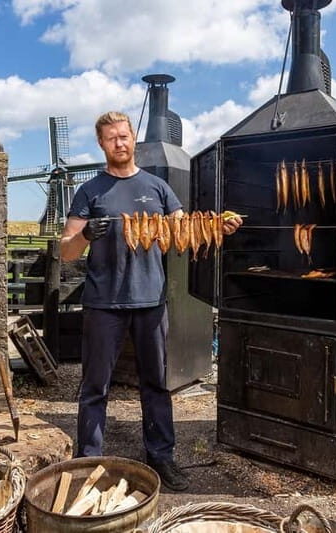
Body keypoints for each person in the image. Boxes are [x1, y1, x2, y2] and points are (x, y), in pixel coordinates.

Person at [59, 111, 241, 491]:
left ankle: (162, 456)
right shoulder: (89, 191)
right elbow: (66, 252)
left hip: (150, 300)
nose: (119, 143)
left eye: (124, 136)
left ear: (133, 138)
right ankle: (88, 457)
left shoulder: (157, 188)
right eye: (111, 139)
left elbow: (184, 228)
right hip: (103, 302)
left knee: (156, 382)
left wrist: (216, 226)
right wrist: (86, 234)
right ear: (102, 143)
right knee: (95, 385)